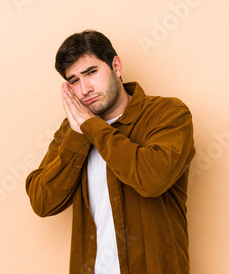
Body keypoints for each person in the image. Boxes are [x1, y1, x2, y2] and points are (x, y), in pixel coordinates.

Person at [25, 29, 196, 274]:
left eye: (91, 72)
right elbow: (42, 202)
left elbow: (152, 179)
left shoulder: (168, 113)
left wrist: (90, 126)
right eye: (74, 81)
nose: (84, 89)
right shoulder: (73, 129)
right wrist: (78, 134)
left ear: (116, 65)